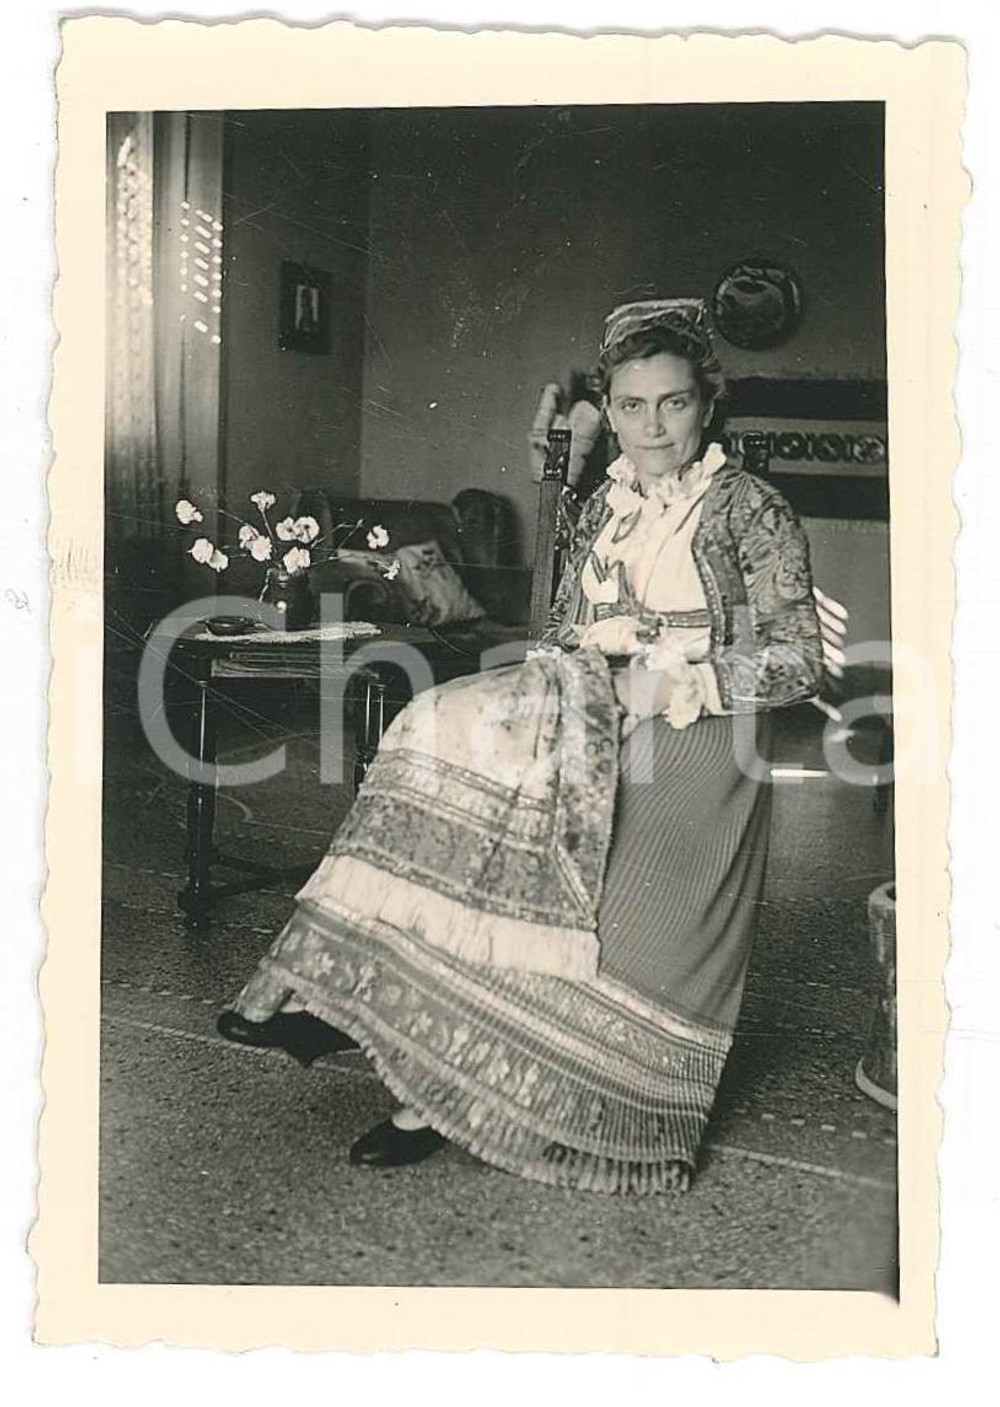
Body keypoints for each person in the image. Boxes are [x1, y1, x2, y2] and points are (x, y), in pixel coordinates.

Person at [218, 297, 824, 1194]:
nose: (653, 427)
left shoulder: (749, 506)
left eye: (674, 403)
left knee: (593, 915)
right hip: (597, 703)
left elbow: (799, 658)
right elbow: (569, 628)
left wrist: (673, 683)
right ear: (607, 409)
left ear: (708, 403)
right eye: (631, 406)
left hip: (701, 725)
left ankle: (542, 1100)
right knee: (437, 750)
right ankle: (357, 1013)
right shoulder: (603, 505)